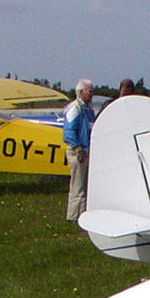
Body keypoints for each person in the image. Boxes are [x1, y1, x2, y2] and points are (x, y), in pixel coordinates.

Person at [63, 79, 95, 221]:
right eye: (90, 91)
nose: (92, 94)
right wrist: (78, 149)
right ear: (81, 92)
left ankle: (83, 216)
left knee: (85, 186)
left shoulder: (88, 109)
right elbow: (68, 132)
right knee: (78, 186)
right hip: (78, 153)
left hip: (86, 151)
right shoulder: (75, 108)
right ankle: (74, 216)